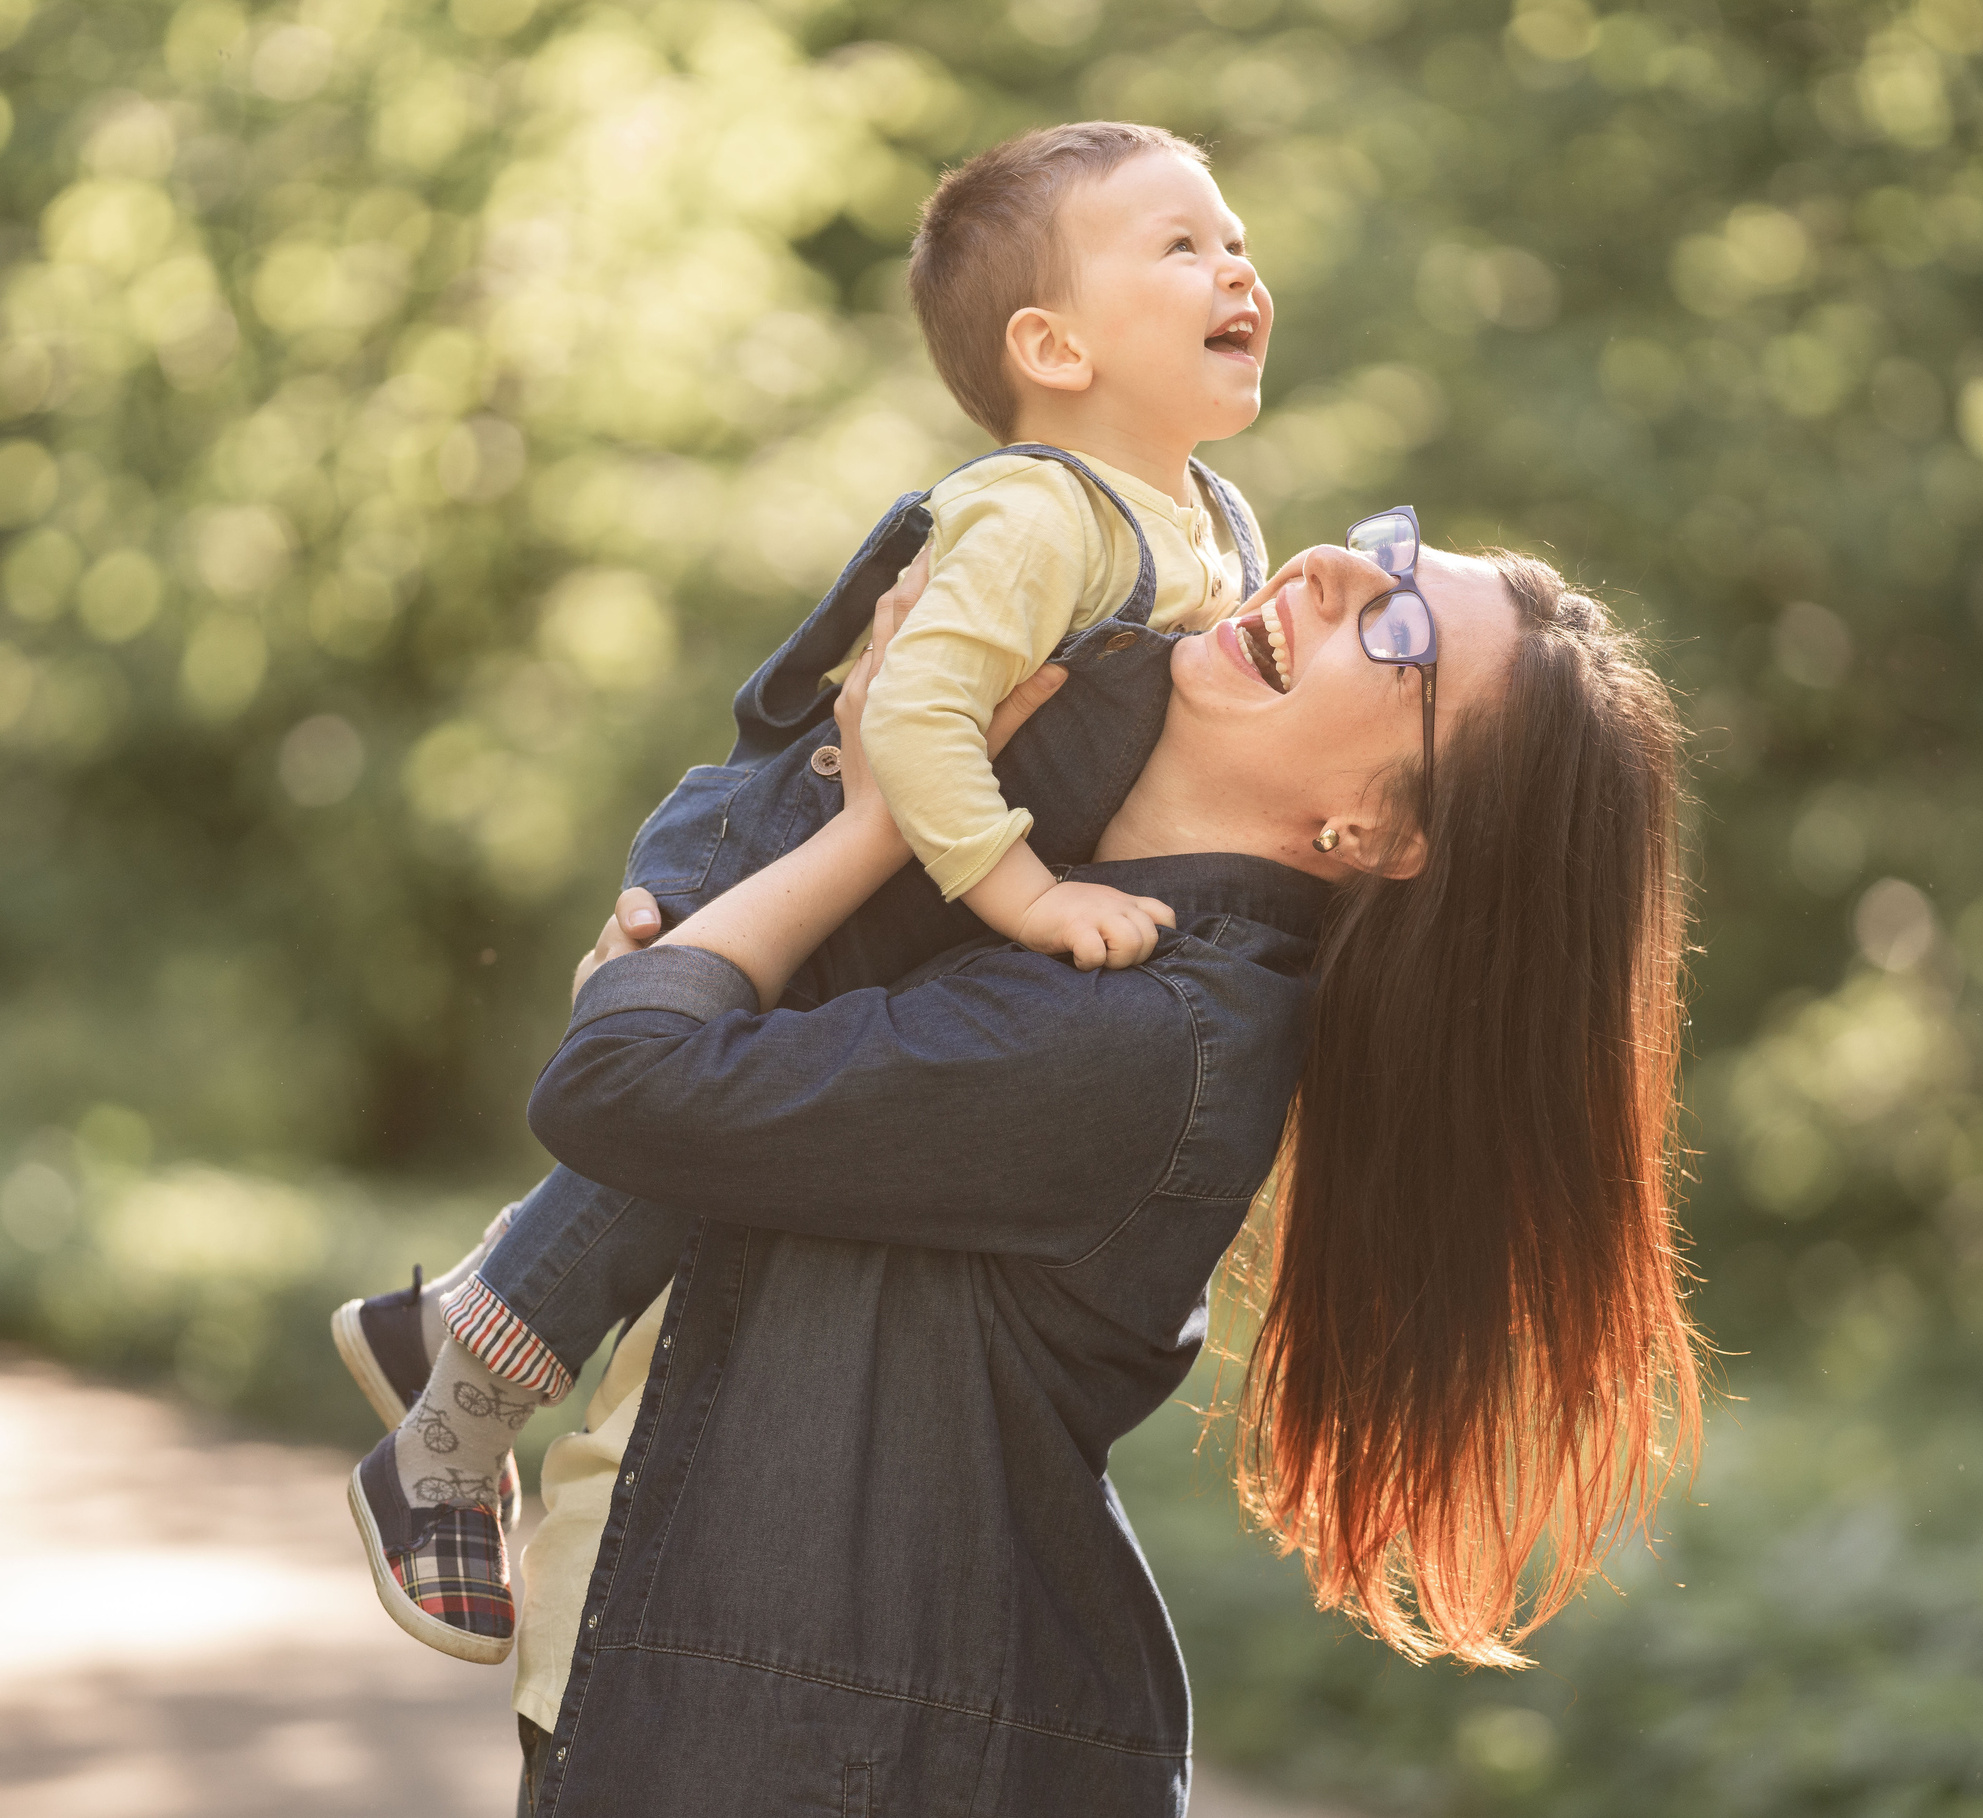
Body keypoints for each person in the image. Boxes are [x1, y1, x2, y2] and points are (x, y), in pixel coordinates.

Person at [505, 529, 1702, 1815]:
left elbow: (620, 1079)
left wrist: (866, 833)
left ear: (1374, 830)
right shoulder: (1049, 890)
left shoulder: (1146, 1037)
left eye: (1395, 634)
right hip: (700, 1691)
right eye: (1381, 550)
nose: (1334, 573)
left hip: (804, 1757)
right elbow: (653, 1038)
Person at [337, 119, 1279, 1662]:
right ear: (1050, 344)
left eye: (1233, 237)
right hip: (789, 846)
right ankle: (451, 1414)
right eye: (1180, 245)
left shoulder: (1214, 531)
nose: (1236, 263)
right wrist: (1032, 898)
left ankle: (451, 1312)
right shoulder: (1038, 514)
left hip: (907, 889)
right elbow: (905, 717)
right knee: (684, 1127)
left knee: (756, 1111)